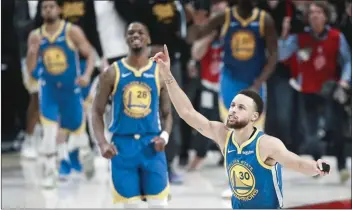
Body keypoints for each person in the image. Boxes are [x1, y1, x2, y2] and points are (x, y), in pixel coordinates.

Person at [152, 44, 330, 209]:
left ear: (254, 116)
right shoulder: (222, 134)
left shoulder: (267, 144)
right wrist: (167, 73)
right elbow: (187, 112)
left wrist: (315, 166)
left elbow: (297, 163)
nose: (233, 110)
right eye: (232, 106)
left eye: (241, 107)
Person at [188, 0, 278, 198]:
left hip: (254, 82)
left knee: (255, 135)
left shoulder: (265, 19)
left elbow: (273, 55)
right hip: (230, 83)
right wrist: (195, 24)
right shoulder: (224, 16)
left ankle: (259, 181)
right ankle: (237, 183)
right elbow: (192, 36)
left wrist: (259, 81)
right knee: (232, 135)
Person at [92, 22, 173, 208]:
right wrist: (102, 143)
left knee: (158, 204)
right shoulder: (111, 73)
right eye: (131, 32)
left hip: (152, 146)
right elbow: (96, 112)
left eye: (140, 32)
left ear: (148, 39)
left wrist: (165, 137)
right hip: (122, 146)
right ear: (126, 39)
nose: (135, 35)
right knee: (132, 207)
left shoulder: (159, 72)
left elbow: (167, 114)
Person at [26, 0, 95, 188]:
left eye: (51, 6)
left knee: (77, 130)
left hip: (70, 91)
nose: (48, 10)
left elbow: (90, 54)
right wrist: (32, 53)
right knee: (49, 134)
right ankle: (50, 172)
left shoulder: (71, 31)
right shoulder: (35, 36)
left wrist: (87, 75)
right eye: (44, 7)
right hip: (49, 91)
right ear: (41, 12)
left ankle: (85, 153)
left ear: (59, 9)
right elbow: (31, 69)